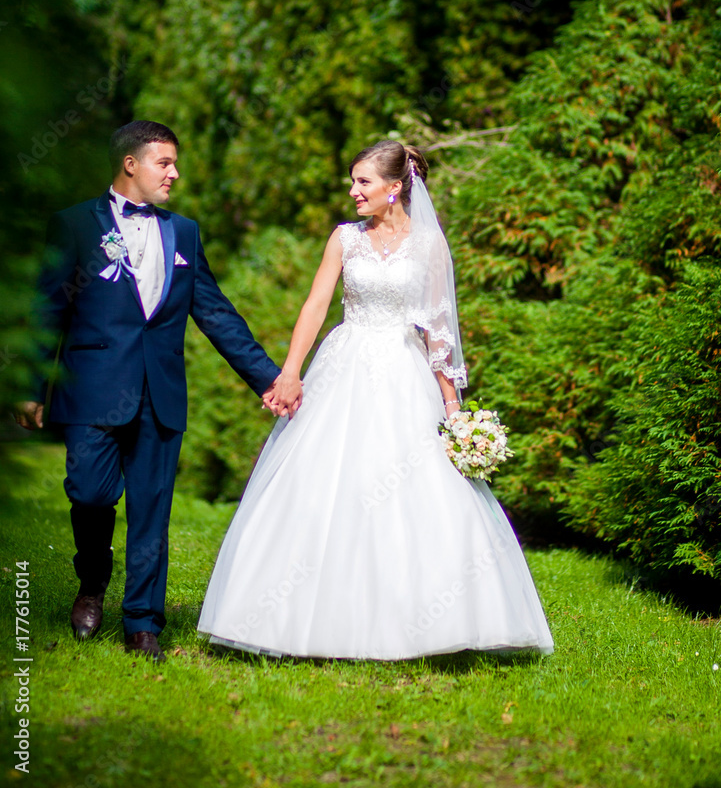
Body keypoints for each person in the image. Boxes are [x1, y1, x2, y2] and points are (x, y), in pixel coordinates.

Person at [198, 140, 553, 659]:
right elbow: (315, 306)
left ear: (395, 187)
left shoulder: (429, 246)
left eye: (363, 181)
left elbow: (438, 331)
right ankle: (293, 618)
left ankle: (429, 620)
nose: (353, 191)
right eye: (353, 180)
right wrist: (290, 372)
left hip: (405, 373)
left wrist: (453, 409)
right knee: (323, 482)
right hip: (344, 364)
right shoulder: (345, 239)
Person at [15, 121, 301, 661]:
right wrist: (30, 383)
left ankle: (144, 622)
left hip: (160, 394)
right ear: (130, 164)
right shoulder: (74, 225)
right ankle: (93, 580)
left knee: (153, 510)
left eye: (175, 163)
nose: (174, 173)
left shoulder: (184, 232)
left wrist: (269, 379)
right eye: (163, 163)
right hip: (93, 389)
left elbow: (215, 313)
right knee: (90, 493)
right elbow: (46, 306)